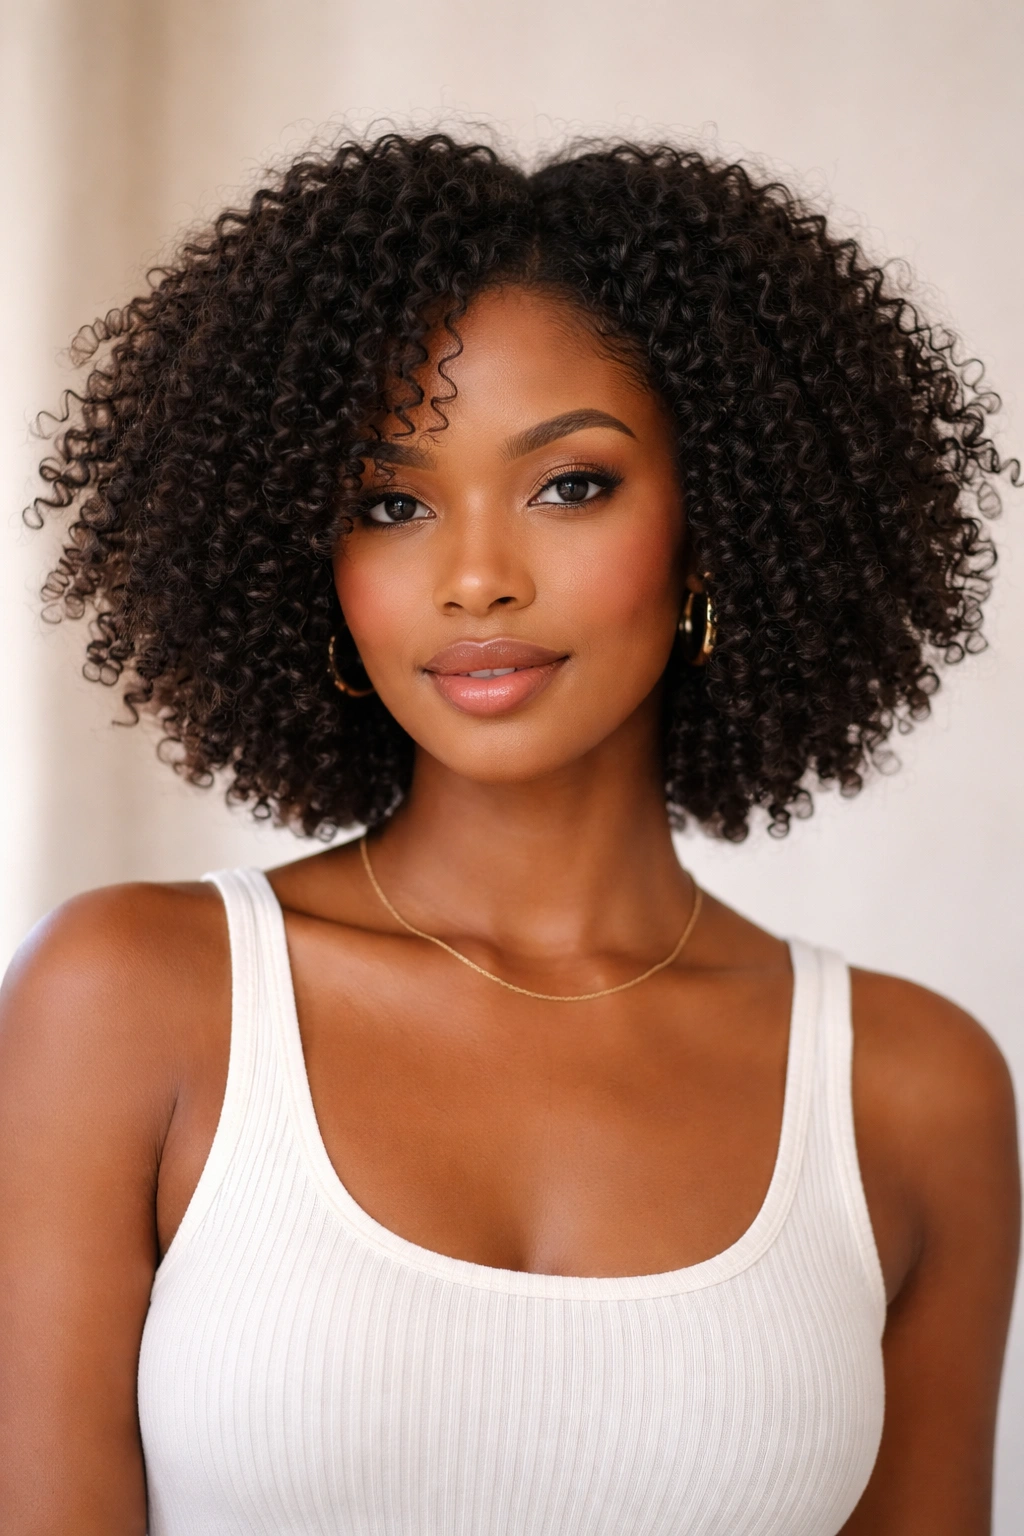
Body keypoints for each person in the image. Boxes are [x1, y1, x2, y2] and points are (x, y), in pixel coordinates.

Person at [0, 132, 1019, 1536]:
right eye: (392, 504)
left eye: (571, 484)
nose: (476, 576)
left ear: (716, 521)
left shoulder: (914, 1094)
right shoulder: (130, 1000)